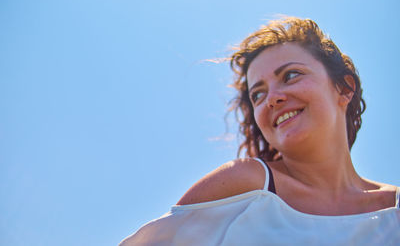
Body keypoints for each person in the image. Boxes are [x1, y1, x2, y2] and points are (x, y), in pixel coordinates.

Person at [120, 17, 400, 245]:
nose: (272, 99)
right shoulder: (246, 185)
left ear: (344, 88)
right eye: (258, 95)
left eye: (290, 75)